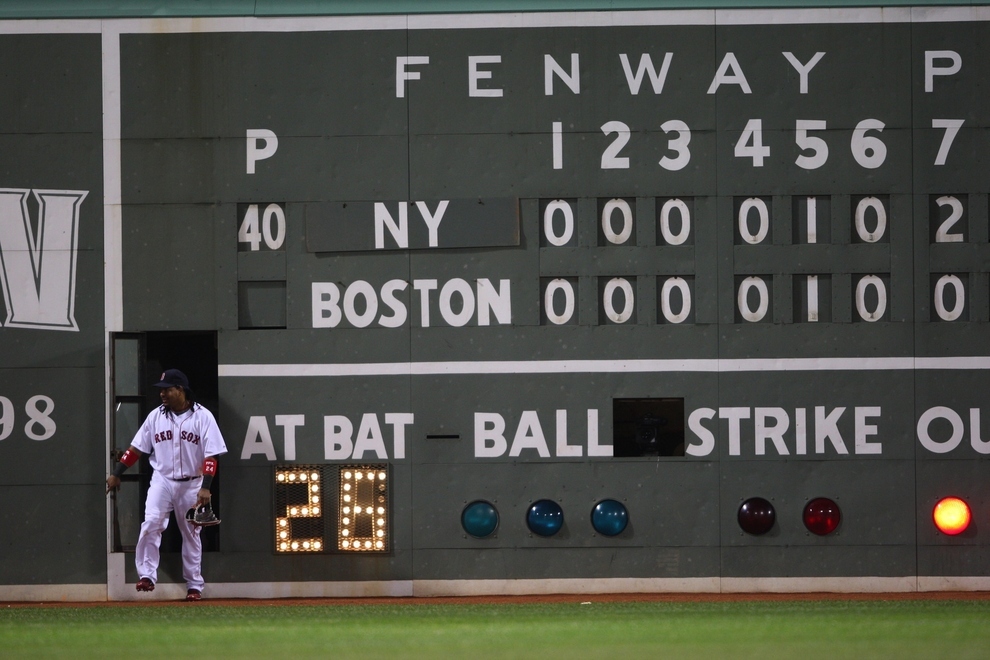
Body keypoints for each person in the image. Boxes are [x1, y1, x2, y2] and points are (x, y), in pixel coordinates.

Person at [106, 369, 228, 601]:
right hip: (162, 479)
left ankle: (194, 585)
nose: (162, 394)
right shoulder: (156, 416)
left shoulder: (203, 416)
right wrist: (117, 473)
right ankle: (147, 575)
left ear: (180, 390)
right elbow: (136, 449)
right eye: (161, 390)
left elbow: (211, 456)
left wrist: (206, 486)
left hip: (192, 483)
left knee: (192, 533)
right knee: (151, 522)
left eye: (167, 389)